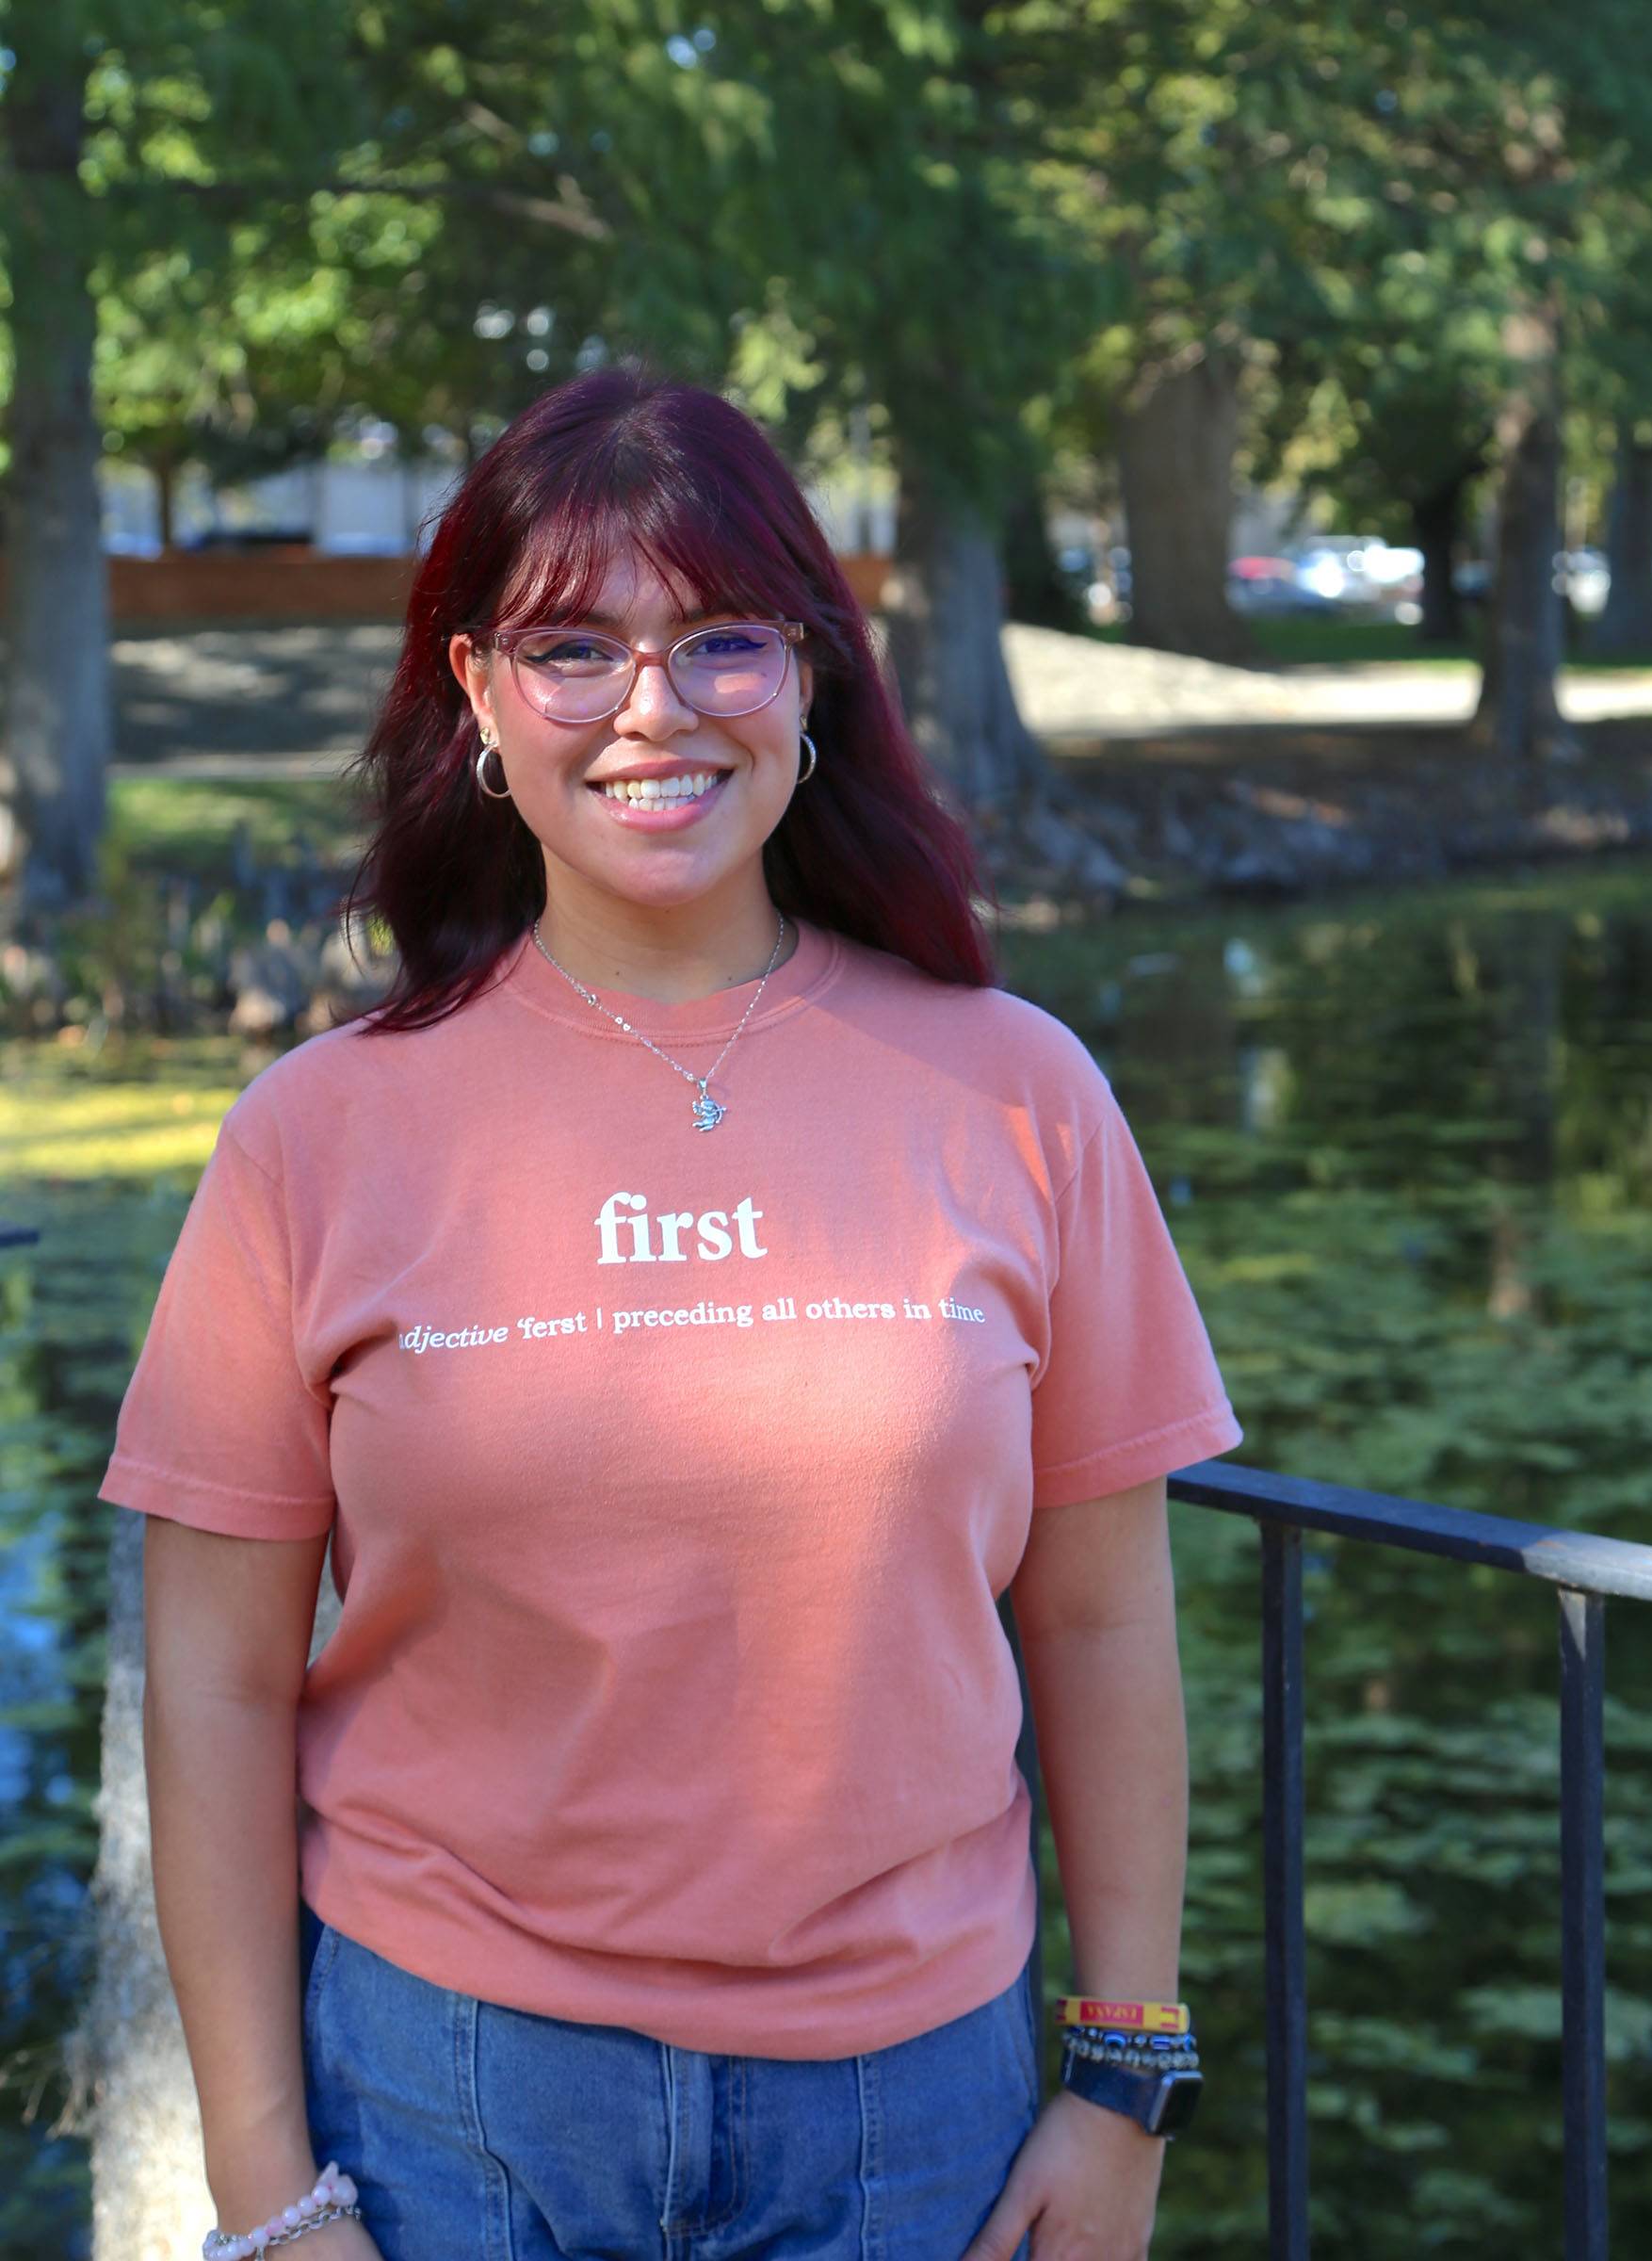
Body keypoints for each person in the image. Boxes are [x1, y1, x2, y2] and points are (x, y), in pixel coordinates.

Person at [103, 366, 1242, 2261]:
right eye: (571, 647)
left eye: (719, 635)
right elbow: (216, 1683)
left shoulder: (1017, 1093)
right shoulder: (317, 1137)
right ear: (475, 696)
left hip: (912, 2115)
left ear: (808, 678)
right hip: (443, 2106)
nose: (655, 706)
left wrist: (1124, 2082)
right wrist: (262, 2187)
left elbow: (1108, 1615)